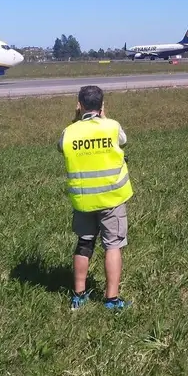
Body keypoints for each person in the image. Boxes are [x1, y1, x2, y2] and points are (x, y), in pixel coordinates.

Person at [58, 85, 134, 310]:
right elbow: (123, 141)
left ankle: (79, 295)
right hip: (112, 197)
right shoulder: (112, 126)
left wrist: (76, 118)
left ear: (79, 105)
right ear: (102, 106)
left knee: (84, 243)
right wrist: (104, 116)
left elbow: (61, 148)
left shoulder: (69, 132)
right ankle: (111, 300)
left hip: (83, 200)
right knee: (113, 245)